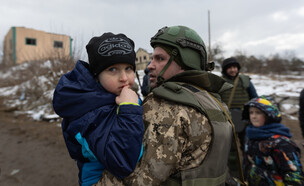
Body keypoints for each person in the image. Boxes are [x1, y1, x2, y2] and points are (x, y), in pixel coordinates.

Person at [97, 25, 236, 186]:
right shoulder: (213, 100)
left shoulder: (168, 108)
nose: (150, 65)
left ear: (185, 62)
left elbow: (138, 181)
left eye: (160, 59)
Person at [52, 33, 144, 186]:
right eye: (112, 69)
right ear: (96, 76)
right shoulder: (89, 111)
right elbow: (122, 161)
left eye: (128, 68)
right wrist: (129, 109)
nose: (124, 77)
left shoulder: (112, 97)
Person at [242, 95, 304, 185]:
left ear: (269, 115)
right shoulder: (251, 138)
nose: (253, 116)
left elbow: (295, 177)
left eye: (258, 113)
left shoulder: (281, 143)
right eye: (251, 112)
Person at [221, 57, 258, 148]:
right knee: (227, 146)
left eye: (235, 67)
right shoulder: (220, 82)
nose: (233, 70)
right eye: (230, 68)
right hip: (226, 118)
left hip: (244, 118)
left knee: (246, 144)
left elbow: (254, 99)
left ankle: (247, 160)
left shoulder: (245, 80)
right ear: (225, 69)